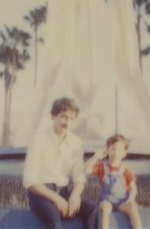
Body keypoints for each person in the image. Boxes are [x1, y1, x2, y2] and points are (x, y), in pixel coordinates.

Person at [23, 97, 99, 229]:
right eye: (63, 117)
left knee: (94, 210)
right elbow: (29, 182)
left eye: (71, 119)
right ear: (53, 116)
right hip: (41, 194)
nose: (67, 122)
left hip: (64, 192)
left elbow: (79, 175)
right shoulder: (38, 140)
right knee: (55, 224)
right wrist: (56, 199)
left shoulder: (76, 142)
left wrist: (75, 195)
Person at [85, 134, 143, 229]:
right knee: (104, 209)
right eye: (112, 149)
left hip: (122, 201)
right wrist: (96, 157)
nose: (116, 153)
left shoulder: (126, 170)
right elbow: (86, 170)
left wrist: (131, 198)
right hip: (106, 199)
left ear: (124, 153)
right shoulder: (102, 167)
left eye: (119, 150)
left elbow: (133, 187)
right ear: (107, 150)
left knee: (133, 209)